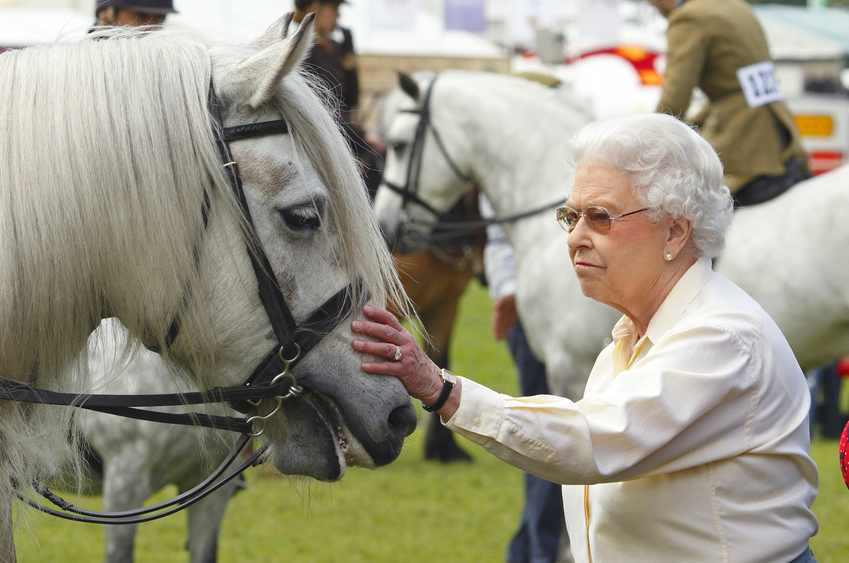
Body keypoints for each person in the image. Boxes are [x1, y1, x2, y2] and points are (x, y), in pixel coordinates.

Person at [352, 113, 819, 562]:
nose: (574, 236)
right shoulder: (631, 338)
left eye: (600, 217)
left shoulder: (721, 336)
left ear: (675, 230)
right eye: (569, 216)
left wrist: (442, 389)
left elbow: (590, 443)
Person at [648, 0, 810, 208]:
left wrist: (646, 140)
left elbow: (674, 102)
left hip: (741, 139)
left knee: (677, 206)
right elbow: (734, 88)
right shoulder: (736, 5)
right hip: (780, 130)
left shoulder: (688, 18)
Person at [480, 194, 567, 563]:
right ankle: (537, 551)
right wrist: (510, 291)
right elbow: (499, 236)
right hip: (528, 312)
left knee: (553, 437)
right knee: (546, 436)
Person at [294, 0, 384, 197]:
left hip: (342, 134)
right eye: (333, 9)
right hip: (318, 140)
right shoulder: (300, 49)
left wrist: (349, 57)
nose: (338, 16)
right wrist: (363, 136)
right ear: (313, 9)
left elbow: (351, 99)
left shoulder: (332, 47)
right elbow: (318, 109)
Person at [93, 0, 176, 29]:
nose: (152, 27)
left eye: (159, 17)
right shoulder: (83, 63)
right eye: (141, 15)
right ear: (108, 15)